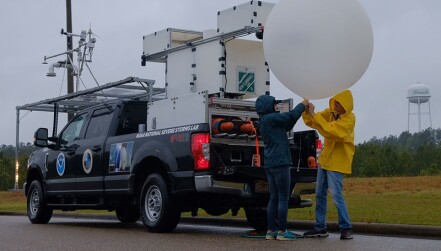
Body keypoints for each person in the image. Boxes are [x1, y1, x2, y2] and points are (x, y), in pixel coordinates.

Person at [301, 89, 355, 240]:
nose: (336, 105)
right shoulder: (330, 113)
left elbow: (332, 131)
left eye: (339, 103)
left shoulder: (350, 119)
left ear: (346, 104)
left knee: (336, 195)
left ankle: (346, 227)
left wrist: (314, 114)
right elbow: (313, 122)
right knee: (320, 194)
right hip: (325, 160)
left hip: (337, 162)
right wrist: (306, 111)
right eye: (335, 102)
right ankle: (320, 227)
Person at [255, 95, 309, 241]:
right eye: (274, 104)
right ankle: (282, 231)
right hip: (281, 162)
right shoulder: (271, 118)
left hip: (270, 163)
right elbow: (291, 115)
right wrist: (302, 105)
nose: (276, 106)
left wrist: (298, 114)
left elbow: (288, 124)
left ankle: (271, 230)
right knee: (283, 197)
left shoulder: (264, 121)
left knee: (273, 197)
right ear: (268, 106)